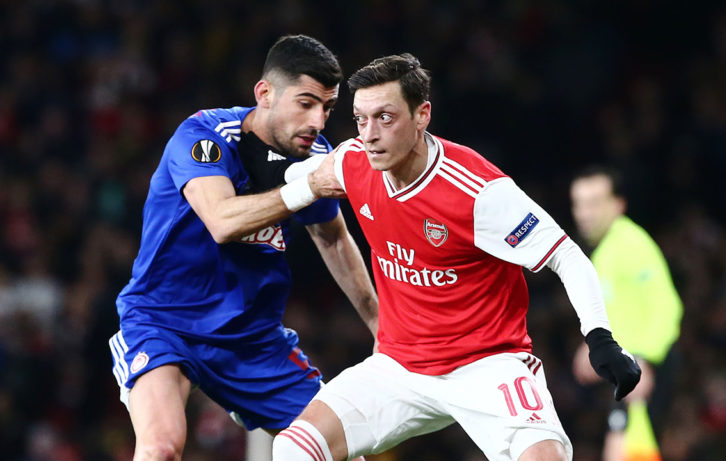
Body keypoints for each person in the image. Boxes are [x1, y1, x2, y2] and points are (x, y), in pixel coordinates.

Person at [262, 53, 640, 461]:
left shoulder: (479, 192)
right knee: (293, 447)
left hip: (485, 364)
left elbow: (566, 254)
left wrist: (600, 338)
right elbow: (301, 175)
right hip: (399, 365)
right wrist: (298, 183)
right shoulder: (355, 161)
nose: (369, 134)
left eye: (385, 118)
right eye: (360, 119)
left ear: (422, 115)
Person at [108, 35, 378, 461]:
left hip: (254, 340)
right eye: (306, 103)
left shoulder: (313, 155)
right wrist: (307, 187)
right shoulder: (204, 136)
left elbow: (333, 237)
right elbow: (222, 221)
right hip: (166, 323)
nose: (318, 121)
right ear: (265, 93)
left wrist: (381, 325)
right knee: (160, 448)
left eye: (327, 108)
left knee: (343, 455)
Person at [570, 166, 683, 461]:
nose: (584, 213)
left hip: (645, 366)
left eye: (594, 203)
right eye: (579, 204)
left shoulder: (632, 244)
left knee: (622, 451)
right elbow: (621, 310)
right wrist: (593, 343)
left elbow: (666, 306)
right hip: (630, 367)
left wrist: (644, 360)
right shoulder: (605, 250)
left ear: (618, 204)